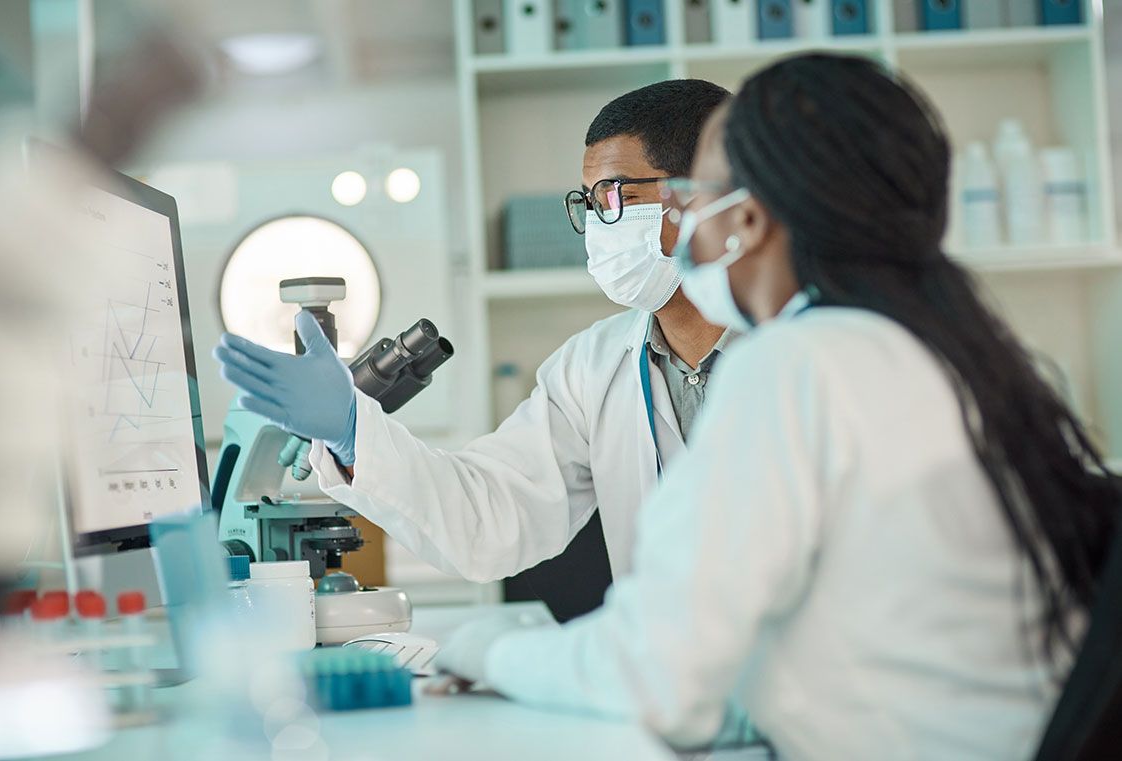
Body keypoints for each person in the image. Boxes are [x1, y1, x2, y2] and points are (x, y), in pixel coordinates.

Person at [432, 53, 1122, 759]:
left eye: (694, 192)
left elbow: (655, 671)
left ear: (749, 216)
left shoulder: (798, 362)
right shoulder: (951, 348)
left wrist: (490, 649)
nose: (677, 218)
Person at [213, 80, 736, 621]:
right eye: (588, 201)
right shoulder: (592, 368)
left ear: (702, 191)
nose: (598, 222)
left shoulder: (802, 351)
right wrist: (352, 433)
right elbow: (488, 519)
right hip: (674, 684)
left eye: (613, 193)